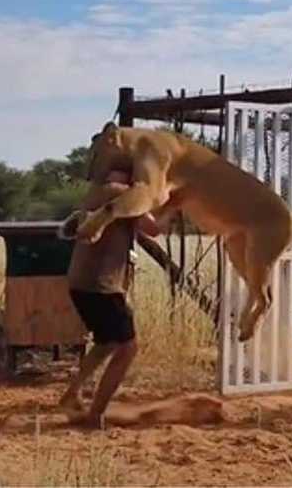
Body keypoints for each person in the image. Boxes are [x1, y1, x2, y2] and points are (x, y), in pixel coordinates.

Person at [56, 168, 180, 428]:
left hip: (80, 283)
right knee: (127, 348)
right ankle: (95, 415)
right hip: (102, 286)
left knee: (105, 343)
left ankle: (71, 394)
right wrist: (175, 202)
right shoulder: (123, 194)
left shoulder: (96, 193)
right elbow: (155, 229)